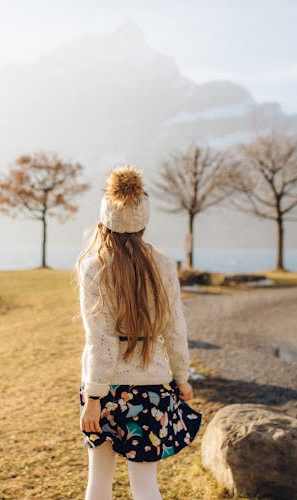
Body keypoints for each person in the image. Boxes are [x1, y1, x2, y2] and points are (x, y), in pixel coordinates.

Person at [76, 164, 203, 500]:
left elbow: (100, 341)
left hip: (105, 394)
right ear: (143, 221)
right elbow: (175, 327)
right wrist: (182, 377)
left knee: (99, 482)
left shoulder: (94, 268)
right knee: (146, 487)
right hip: (151, 393)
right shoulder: (162, 264)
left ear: (105, 219)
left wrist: (93, 399)